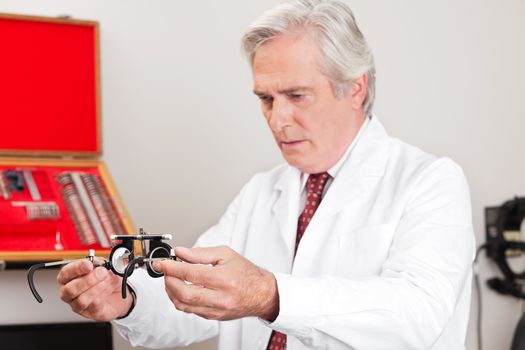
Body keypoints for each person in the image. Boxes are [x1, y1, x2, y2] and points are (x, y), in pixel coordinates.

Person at [57, 0, 475, 349]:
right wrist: (127, 301)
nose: (278, 119)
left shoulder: (430, 181)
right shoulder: (261, 192)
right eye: (266, 99)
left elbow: (418, 314)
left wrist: (270, 295)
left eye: (296, 95)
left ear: (355, 88)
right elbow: (194, 300)